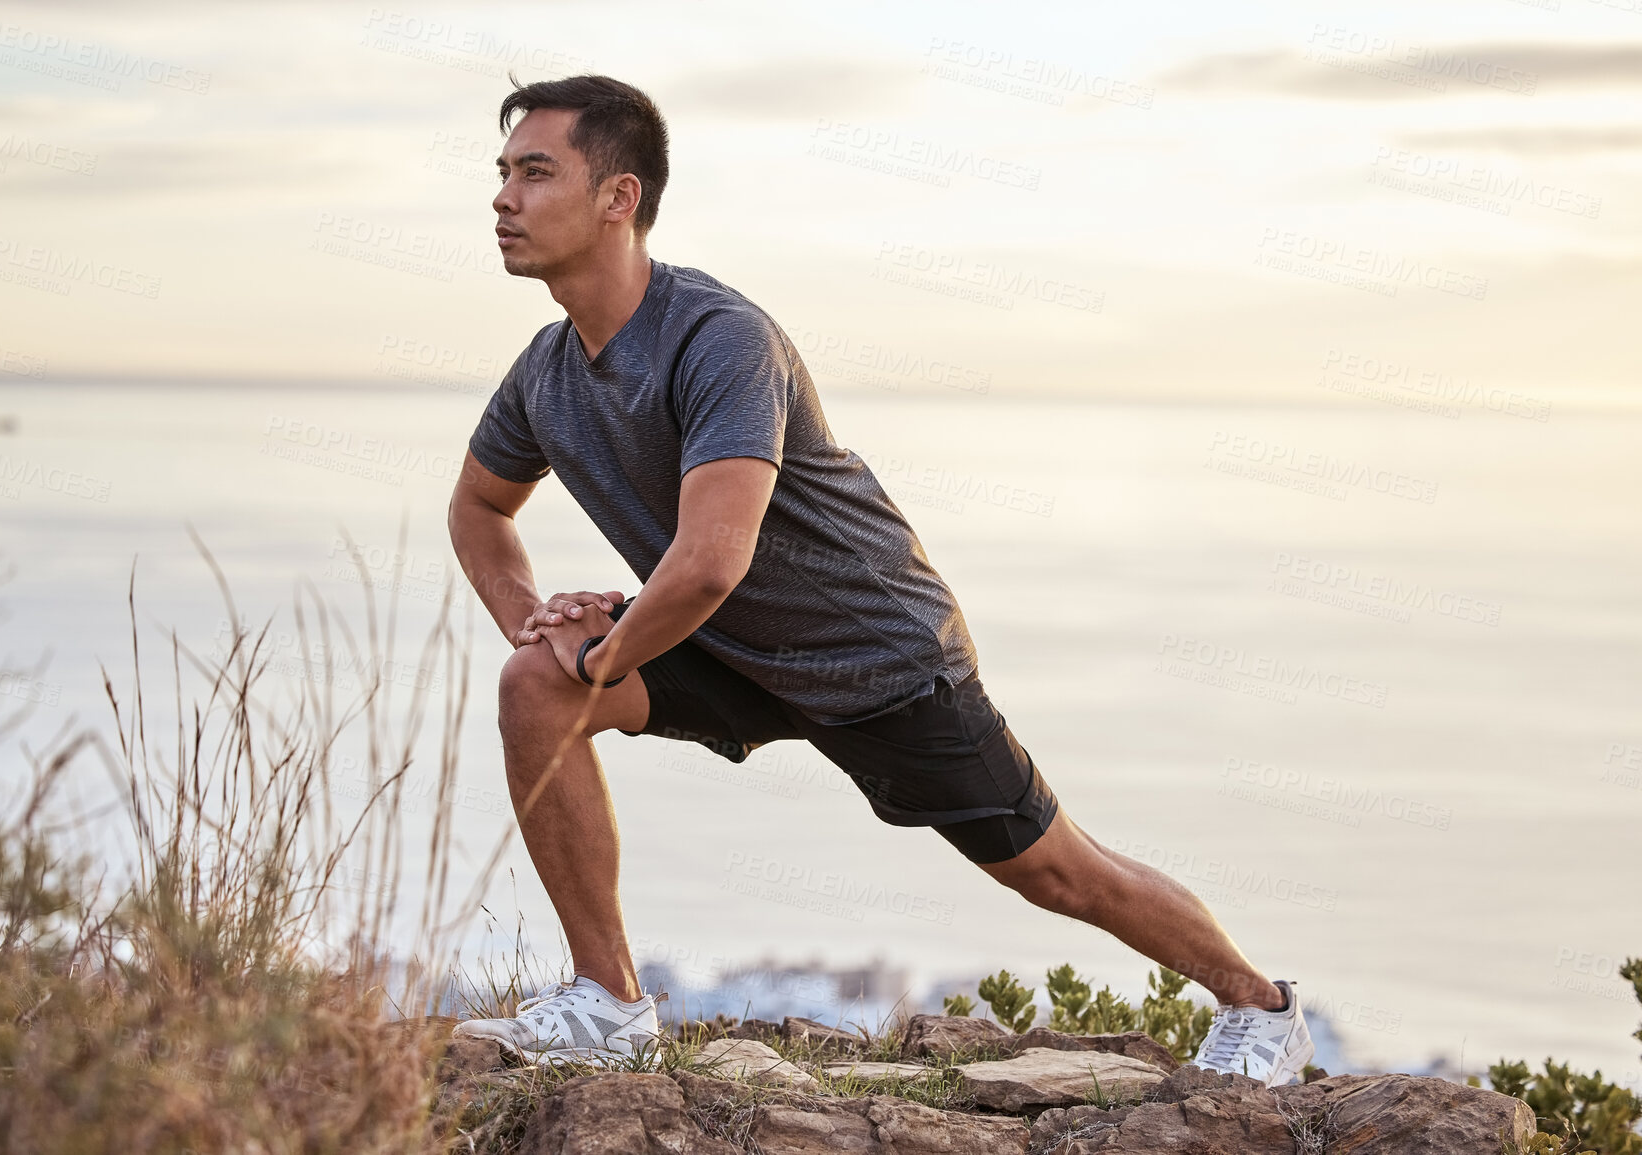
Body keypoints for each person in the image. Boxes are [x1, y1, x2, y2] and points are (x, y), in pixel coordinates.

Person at [445, 74, 1314, 1084]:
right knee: (535, 689)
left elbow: (711, 560)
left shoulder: (718, 340)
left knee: (1059, 872)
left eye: (534, 172)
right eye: (502, 174)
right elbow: (478, 508)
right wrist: (537, 628)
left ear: (618, 198)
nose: (504, 198)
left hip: (877, 655)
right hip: (728, 646)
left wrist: (602, 651)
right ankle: (608, 1002)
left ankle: (1263, 1008)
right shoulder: (547, 374)